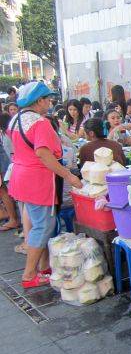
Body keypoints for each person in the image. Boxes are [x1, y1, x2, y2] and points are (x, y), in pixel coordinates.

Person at [7, 81, 82, 288]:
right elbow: (43, 154)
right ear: (38, 101)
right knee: (44, 225)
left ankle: (43, 267)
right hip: (38, 180)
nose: (50, 102)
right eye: (47, 98)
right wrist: (69, 176)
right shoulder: (40, 123)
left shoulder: (15, 119)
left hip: (20, 176)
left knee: (36, 222)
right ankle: (29, 275)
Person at [0, 113, 19, 231]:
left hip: (4, 161)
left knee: (3, 190)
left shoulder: (6, 134)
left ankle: (13, 218)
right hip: (6, 161)